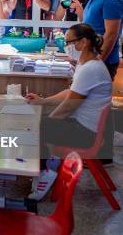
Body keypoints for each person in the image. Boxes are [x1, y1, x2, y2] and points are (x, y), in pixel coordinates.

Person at [26, 23, 112, 199]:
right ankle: (48, 167)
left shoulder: (90, 69)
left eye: (69, 42)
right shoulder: (86, 64)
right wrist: (43, 101)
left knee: (36, 128)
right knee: (40, 122)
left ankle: (45, 174)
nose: (67, 47)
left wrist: (49, 121)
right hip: (85, 127)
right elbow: (71, 92)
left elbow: (69, 105)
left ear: (84, 42)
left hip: (86, 133)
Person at [82, 0, 123, 80]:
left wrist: (97, 62)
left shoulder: (110, 0)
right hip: (91, 58)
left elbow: (111, 34)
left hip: (104, 61)